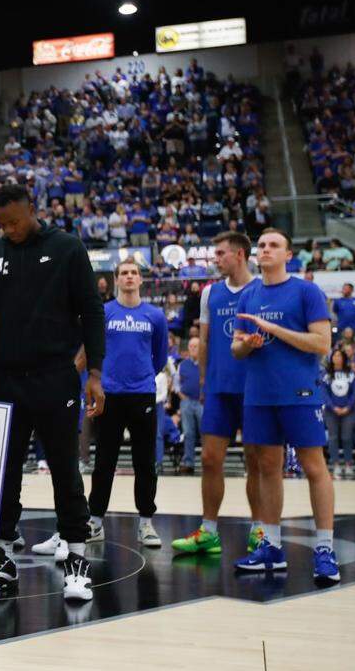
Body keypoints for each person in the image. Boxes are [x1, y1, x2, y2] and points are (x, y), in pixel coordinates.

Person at [0, 184, 104, 600]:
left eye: (14, 221)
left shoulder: (68, 248)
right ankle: (3, 558)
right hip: (6, 380)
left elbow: (92, 312)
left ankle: (77, 559)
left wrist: (94, 372)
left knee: (65, 469)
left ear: (33, 210)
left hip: (57, 377)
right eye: (1, 223)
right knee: (5, 472)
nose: (8, 229)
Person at [232, 228, 338, 582]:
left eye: (273, 245)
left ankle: (325, 548)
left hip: (299, 393)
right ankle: (271, 546)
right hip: (259, 394)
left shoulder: (306, 291)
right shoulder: (249, 295)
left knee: (313, 467)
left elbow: (322, 343)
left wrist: (272, 330)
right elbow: (236, 348)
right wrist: (249, 342)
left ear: (288, 255)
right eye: (261, 245)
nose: (264, 249)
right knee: (266, 467)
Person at [172, 232, 265, 556]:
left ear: (240, 254)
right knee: (210, 459)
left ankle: (260, 530)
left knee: (255, 461)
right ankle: (208, 531)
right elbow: (207, 341)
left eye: (221, 253)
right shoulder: (210, 293)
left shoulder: (261, 289)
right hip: (217, 388)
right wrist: (202, 381)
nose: (216, 259)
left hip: (254, 389)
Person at [87, 260, 168, 547]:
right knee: (104, 461)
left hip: (142, 394)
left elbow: (159, 356)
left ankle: (146, 522)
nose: (129, 277)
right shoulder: (105, 312)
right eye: (124, 273)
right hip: (109, 395)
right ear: (116, 279)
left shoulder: (155, 315)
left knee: (145, 462)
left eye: (134, 273)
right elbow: (93, 350)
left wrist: (142, 376)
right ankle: (95, 521)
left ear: (140, 280)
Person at [323, 349, 355, 480]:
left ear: (344, 358)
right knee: (333, 438)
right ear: (331, 358)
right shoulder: (326, 374)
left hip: (348, 411)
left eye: (340, 355)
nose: (337, 358)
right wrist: (332, 406)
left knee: (347, 437)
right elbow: (324, 393)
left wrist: (348, 407)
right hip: (330, 411)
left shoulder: (351, 374)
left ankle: (348, 464)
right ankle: (335, 465)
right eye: (335, 355)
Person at [176, 337, 203, 475]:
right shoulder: (182, 365)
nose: (192, 348)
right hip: (186, 402)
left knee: (206, 433)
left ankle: (208, 463)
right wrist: (183, 398)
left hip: (202, 403)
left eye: (195, 346)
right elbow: (176, 384)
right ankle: (188, 463)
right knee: (188, 433)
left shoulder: (206, 364)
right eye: (191, 346)